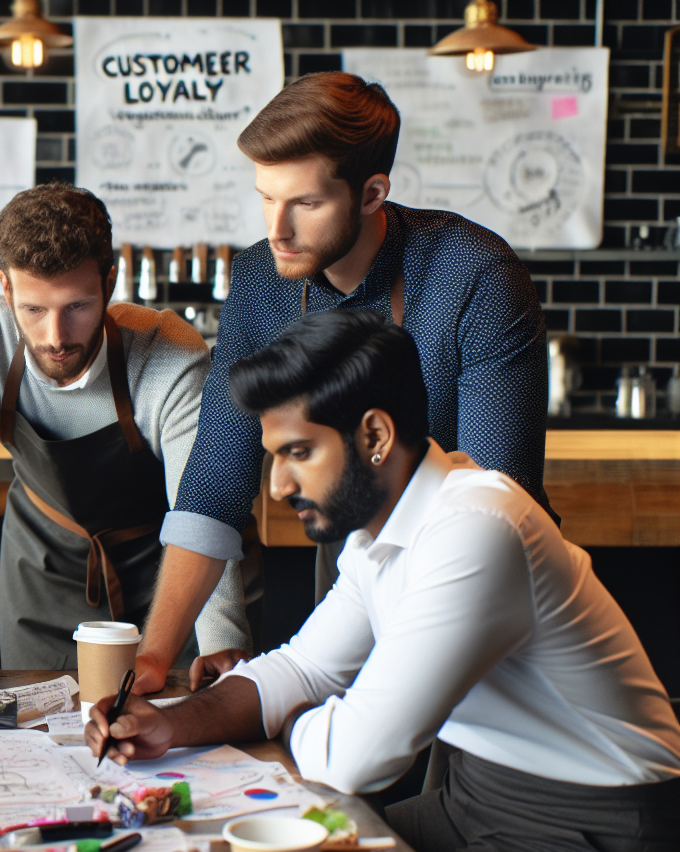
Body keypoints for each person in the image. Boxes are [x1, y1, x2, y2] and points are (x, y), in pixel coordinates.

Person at [87, 309, 680, 852]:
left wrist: (295, 721)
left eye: (298, 453)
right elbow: (302, 670)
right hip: (473, 807)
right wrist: (173, 723)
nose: (278, 486)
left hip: (602, 850)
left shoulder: (477, 528)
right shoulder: (381, 535)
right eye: (273, 457)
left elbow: (353, 760)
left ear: (373, 434)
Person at [136, 71, 549, 694]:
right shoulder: (260, 281)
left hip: (482, 583)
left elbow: (494, 499)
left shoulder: (474, 275)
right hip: (354, 570)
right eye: (266, 198)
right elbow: (215, 486)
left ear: (372, 192)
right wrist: (151, 661)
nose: (278, 229)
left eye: (304, 204)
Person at [0, 181, 248, 670]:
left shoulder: (166, 354)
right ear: (5, 287)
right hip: (40, 567)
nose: (56, 337)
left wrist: (220, 652)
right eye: (34, 309)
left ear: (108, 284)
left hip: (170, 571)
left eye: (78, 307)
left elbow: (204, 517)